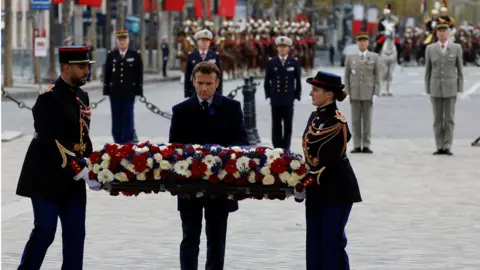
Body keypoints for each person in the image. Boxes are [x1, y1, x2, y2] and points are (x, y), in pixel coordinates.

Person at [16, 46, 101, 270]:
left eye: (87, 67)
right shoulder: (48, 98)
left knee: (75, 235)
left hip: (72, 181)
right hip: (45, 176)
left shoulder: (82, 96)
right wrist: (79, 169)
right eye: (81, 67)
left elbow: (83, 137)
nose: (86, 72)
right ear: (66, 68)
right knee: (45, 231)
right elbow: (50, 141)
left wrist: (97, 165)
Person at [169, 61, 248, 270]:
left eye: (209, 84)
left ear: (217, 83)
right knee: (189, 237)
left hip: (220, 186)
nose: (204, 88)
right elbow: (173, 150)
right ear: (193, 82)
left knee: (216, 239)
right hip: (189, 186)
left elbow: (242, 143)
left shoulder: (232, 108)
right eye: (200, 83)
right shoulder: (181, 110)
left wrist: (220, 157)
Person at [298, 71, 362, 270]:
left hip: (336, 190)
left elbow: (328, 162)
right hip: (317, 191)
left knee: (331, 242)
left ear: (329, 94)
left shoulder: (337, 122)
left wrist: (303, 182)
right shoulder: (315, 116)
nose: (311, 94)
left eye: (315, 90)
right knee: (314, 243)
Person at [425, 23, 463, 155]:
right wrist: (427, 89)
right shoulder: (430, 49)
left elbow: (460, 70)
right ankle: (439, 145)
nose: (442, 34)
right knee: (437, 119)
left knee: (449, 119)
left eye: (444, 31)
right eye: (439, 31)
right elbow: (428, 71)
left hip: (450, 88)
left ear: (448, 33)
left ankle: (447, 146)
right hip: (436, 88)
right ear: (436, 34)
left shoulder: (456, 48)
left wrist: (460, 89)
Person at [103, 29, 143, 144]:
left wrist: (138, 90)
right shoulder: (112, 55)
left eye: (124, 39)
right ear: (116, 41)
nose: (122, 42)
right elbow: (107, 74)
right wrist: (106, 89)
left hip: (128, 92)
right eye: (120, 40)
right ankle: (117, 141)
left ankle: (128, 141)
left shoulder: (135, 55)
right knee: (116, 118)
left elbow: (138, 74)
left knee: (128, 117)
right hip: (114, 93)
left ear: (128, 40)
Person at [344, 32, 381, 154]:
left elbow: (377, 76)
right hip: (355, 93)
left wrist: (376, 92)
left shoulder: (374, 57)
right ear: (357, 43)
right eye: (360, 41)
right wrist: (347, 91)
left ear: (368, 43)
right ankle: (356, 144)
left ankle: (366, 144)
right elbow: (347, 76)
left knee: (367, 120)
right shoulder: (350, 57)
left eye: (364, 41)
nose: (362, 43)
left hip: (368, 92)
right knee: (355, 121)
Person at [264, 36, 301, 150]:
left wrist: (296, 95)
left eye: (285, 47)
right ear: (277, 48)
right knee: (276, 124)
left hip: (288, 98)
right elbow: (267, 80)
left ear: (288, 49)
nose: (282, 49)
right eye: (280, 47)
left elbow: (297, 80)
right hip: (276, 98)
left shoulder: (294, 62)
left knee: (288, 124)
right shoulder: (272, 62)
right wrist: (269, 95)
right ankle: (277, 146)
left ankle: (286, 146)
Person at [184, 29, 222, 98]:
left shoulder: (215, 55)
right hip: (195, 91)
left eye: (207, 41)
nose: (205, 43)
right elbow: (187, 75)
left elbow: (219, 76)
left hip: (211, 91)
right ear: (198, 42)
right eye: (202, 40)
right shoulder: (191, 56)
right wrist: (187, 93)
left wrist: (219, 92)